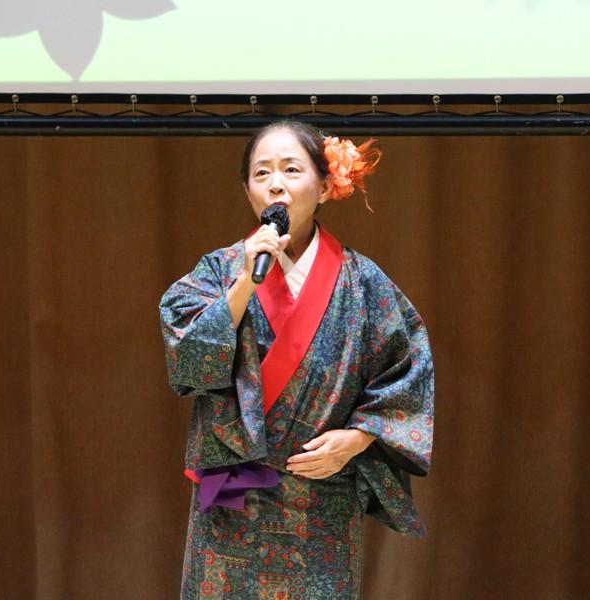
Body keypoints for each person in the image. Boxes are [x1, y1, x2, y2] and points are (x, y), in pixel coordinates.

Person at [159, 120, 434, 598]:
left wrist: (357, 438)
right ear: (247, 190)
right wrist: (244, 283)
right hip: (234, 497)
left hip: (321, 497)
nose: (275, 184)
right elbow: (187, 362)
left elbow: (408, 370)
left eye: (291, 169)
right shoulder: (219, 271)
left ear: (324, 186)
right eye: (261, 173)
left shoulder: (363, 282)